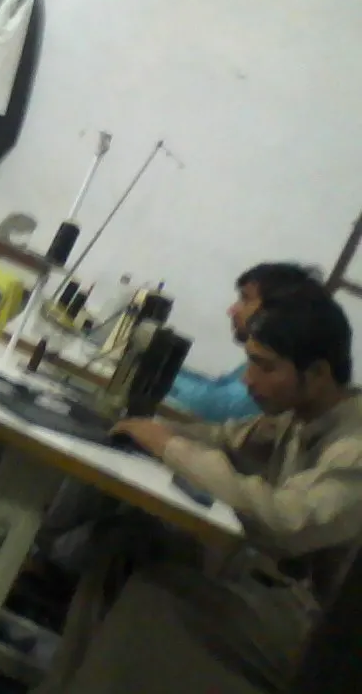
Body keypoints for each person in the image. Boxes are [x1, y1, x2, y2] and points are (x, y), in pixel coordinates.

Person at [36, 292, 362, 694]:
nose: (249, 379)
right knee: (127, 542)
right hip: (267, 587)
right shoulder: (300, 416)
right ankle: (63, 683)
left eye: (264, 367)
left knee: (154, 592)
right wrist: (146, 432)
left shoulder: (354, 445)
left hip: (317, 633)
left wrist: (169, 446)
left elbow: (284, 522)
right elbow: (222, 438)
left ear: (317, 373)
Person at [167, 263, 325, 421]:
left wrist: (158, 365)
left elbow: (206, 405)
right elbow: (214, 386)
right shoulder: (260, 358)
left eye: (245, 299)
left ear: (276, 310)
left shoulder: (272, 374)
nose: (232, 310)